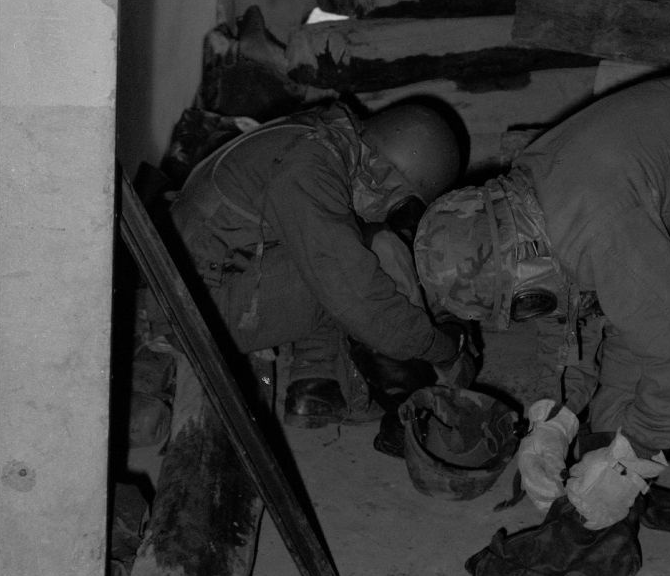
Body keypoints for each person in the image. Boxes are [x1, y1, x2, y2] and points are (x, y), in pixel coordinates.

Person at [413, 72, 670, 541]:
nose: (532, 313)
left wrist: (631, 459)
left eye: (525, 304)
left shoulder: (599, 226)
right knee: (661, 320)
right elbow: (565, 307)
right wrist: (552, 416)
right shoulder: (527, 201)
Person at [168, 97, 475, 432]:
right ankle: (356, 392)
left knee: (342, 249)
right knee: (360, 271)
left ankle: (315, 384)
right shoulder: (309, 170)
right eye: (402, 206)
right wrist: (443, 349)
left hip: (199, 281)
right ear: (384, 174)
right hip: (188, 312)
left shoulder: (325, 139)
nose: (391, 213)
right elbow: (358, 298)